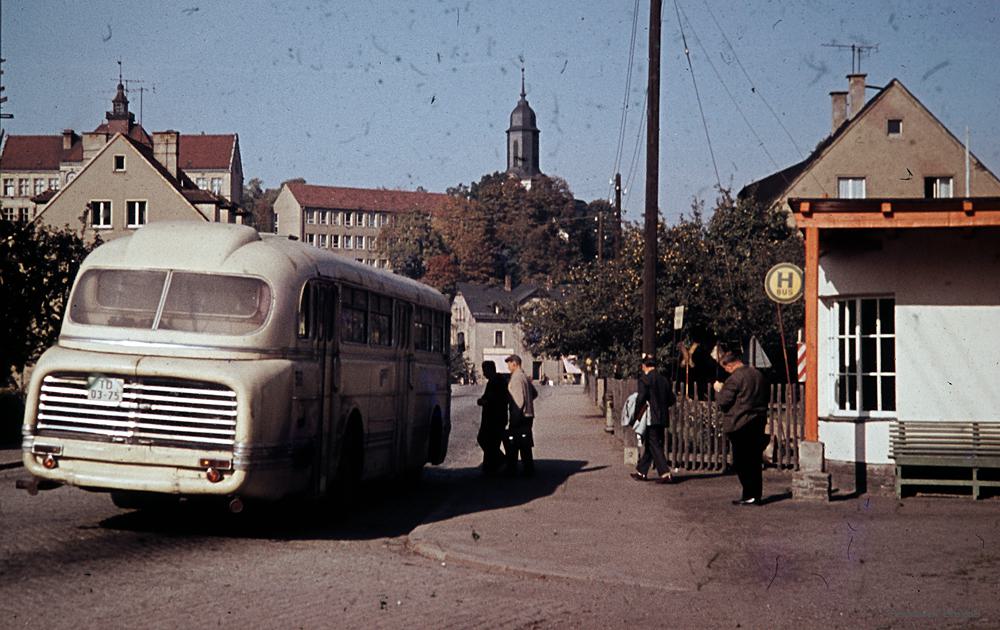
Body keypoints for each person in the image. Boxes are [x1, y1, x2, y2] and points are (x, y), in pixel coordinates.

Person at [713, 348, 769, 506]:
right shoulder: (757, 374)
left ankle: (749, 493)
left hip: (740, 422)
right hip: (758, 420)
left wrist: (719, 389)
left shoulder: (735, 379)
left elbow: (723, 402)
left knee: (741, 461)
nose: (726, 371)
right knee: (754, 460)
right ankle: (754, 495)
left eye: (725, 368)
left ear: (730, 365)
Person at [629, 356, 676, 483]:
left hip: (650, 417)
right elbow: (672, 399)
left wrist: (636, 414)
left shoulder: (645, 379)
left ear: (644, 366)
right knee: (651, 444)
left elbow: (641, 398)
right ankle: (641, 471)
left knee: (654, 444)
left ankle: (665, 474)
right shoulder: (664, 380)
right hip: (662, 417)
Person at [503, 354, 536, 476]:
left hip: (520, 416)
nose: (508, 366)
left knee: (513, 444)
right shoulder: (525, 377)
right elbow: (534, 393)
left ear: (514, 363)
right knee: (525, 445)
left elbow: (518, 401)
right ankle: (528, 469)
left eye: (509, 363)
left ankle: (511, 470)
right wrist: (529, 402)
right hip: (528, 415)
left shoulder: (516, 378)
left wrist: (514, 419)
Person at [476, 361, 508, 474]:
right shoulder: (494, 381)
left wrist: (484, 401)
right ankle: (490, 467)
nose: (484, 374)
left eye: (485, 371)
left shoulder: (497, 382)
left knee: (487, 442)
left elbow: (493, 399)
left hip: (495, 418)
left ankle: (500, 461)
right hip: (493, 418)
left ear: (491, 370)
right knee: (489, 442)